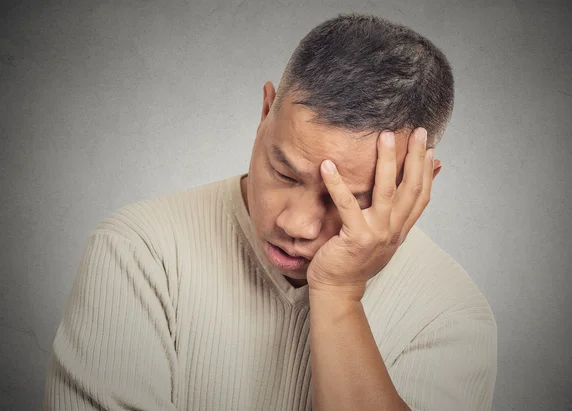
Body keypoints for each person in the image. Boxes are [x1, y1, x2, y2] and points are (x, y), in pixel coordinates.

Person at [44, 12, 497, 411]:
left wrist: (339, 296)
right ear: (264, 114)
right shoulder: (140, 253)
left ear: (414, 185)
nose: (294, 224)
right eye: (284, 173)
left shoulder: (450, 314)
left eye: (349, 200)